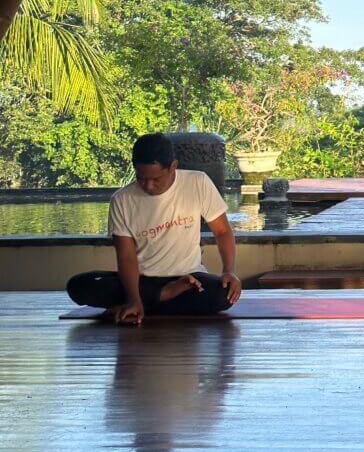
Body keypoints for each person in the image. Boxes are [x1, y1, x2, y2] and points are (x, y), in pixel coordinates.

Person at [67, 132, 242, 323]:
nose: (148, 186)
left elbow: (223, 232)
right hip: (142, 281)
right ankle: (161, 295)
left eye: (156, 179)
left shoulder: (197, 182)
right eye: (141, 178)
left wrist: (229, 271)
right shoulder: (121, 200)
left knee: (223, 294)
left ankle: (151, 300)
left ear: (173, 166)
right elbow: (126, 257)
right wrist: (134, 298)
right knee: (79, 286)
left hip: (190, 279)